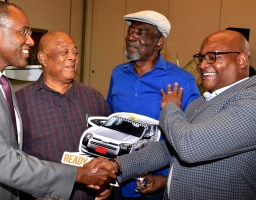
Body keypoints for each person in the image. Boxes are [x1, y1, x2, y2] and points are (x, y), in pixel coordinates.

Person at [0, 0, 115, 200]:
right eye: (23, 32)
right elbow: (0, 159)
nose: (31, 41)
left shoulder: (1, 83)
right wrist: (79, 174)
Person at [92, 29, 256, 200]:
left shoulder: (251, 100)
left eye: (212, 57)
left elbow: (189, 146)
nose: (202, 65)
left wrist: (170, 106)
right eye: (201, 58)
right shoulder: (203, 102)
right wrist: (116, 165)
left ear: (241, 60)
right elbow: (168, 148)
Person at [107, 10, 200, 199]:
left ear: (159, 42)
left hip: (157, 183)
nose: (131, 36)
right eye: (130, 31)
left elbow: (193, 138)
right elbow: (110, 120)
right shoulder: (118, 74)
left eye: (141, 32)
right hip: (117, 179)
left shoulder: (182, 81)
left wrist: (165, 179)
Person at [16, 30, 111, 200]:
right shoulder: (20, 103)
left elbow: (109, 146)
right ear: (43, 58)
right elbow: (14, 159)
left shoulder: (93, 97)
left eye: (75, 52)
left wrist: (108, 182)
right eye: (64, 52)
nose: (73, 57)